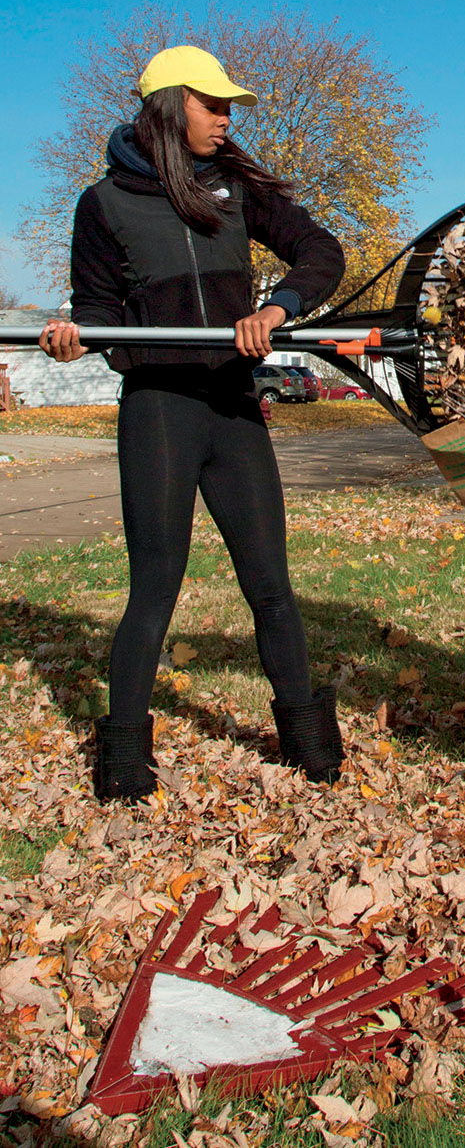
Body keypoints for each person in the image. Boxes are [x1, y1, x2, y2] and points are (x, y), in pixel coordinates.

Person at [39, 46, 346, 801]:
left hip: (233, 407)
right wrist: (80, 332)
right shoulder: (102, 203)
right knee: (155, 587)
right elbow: (99, 307)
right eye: (213, 104)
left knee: (270, 584)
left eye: (227, 105)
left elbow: (320, 251)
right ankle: (122, 762)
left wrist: (277, 308)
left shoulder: (235, 184)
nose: (227, 117)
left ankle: (308, 744)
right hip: (160, 410)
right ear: (173, 107)